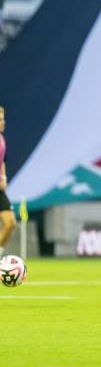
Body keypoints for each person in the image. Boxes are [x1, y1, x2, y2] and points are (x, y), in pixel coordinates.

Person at [0, 106, 17, 256]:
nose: (3, 122)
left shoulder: (2, 139)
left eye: (3, 118)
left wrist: (3, 178)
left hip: (0, 189)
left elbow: (2, 161)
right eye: (0, 120)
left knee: (10, 223)